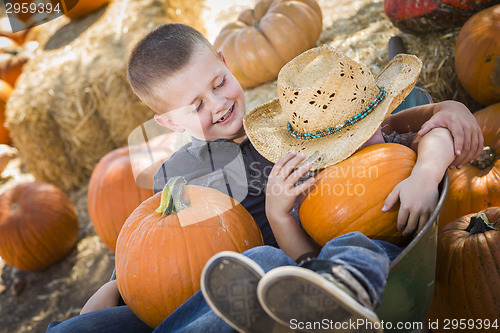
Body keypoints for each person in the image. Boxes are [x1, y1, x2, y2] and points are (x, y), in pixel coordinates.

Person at [46, 24, 483, 333]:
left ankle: (338, 297)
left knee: (272, 263)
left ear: (224, 61)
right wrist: (111, 291)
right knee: (107, 322)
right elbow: (155, 258)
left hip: (299, 266)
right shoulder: (176, 178)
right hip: (218, 294)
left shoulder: (296, 127)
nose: (217, 104)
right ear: (168, 123)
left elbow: (394, 133)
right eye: (195, 106)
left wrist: (447, 112)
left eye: (219, 82)